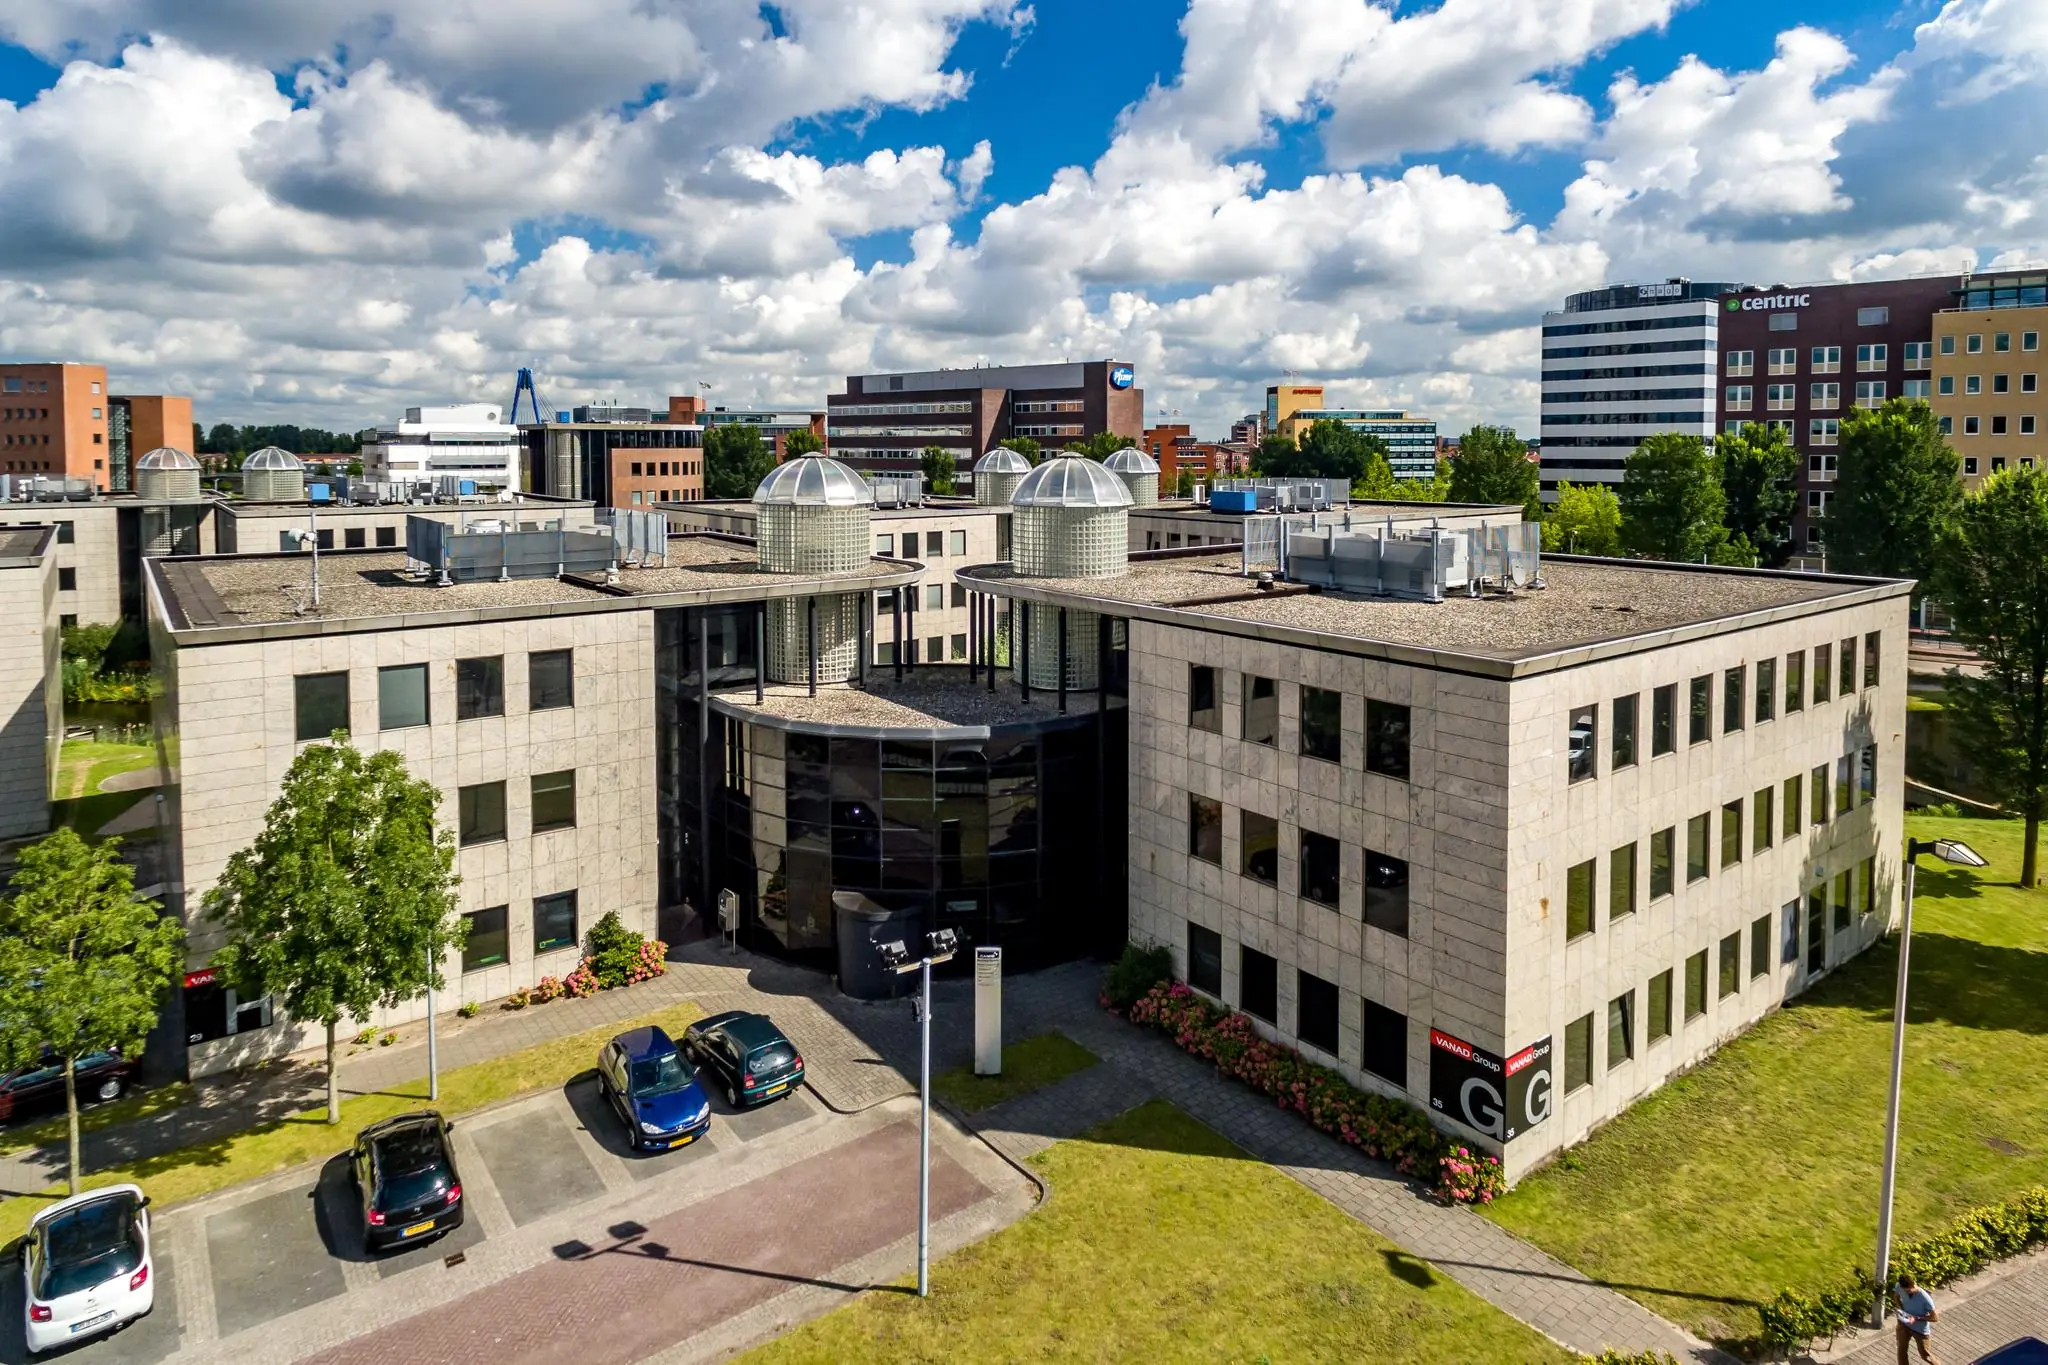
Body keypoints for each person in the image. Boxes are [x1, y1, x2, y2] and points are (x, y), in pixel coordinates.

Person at [1893, 1271, 1941, 1365]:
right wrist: (1901, 1310)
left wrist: (1916, 1318)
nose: (1909, 1291)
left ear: (1914, 1283)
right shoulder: (1899, 1286)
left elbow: (1935, 1318)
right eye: (1906, 1291)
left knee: (1925, 1355)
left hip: (1920, 1330)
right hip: (1904, 1325)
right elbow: (1896, 1296)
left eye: (1911, 1289)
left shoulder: (1925, 1298)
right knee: (1901, 1350)